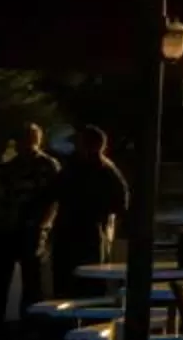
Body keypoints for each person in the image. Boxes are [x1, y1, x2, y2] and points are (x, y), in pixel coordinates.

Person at [0, 124, 61, 328]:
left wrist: (43, 224)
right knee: (1, 280)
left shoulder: (47, 166)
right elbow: (0, 196)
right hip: (9, 229)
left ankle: (31, 325)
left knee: (32, 282)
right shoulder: (11, 167)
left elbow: (54, 199)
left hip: (33, 229)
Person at [50, 125, 130, 299]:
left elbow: (120, 203)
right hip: (69, 231)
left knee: (90, 280)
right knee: (67, 282)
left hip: (91, 233)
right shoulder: (73, 168)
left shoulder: (104, 171)